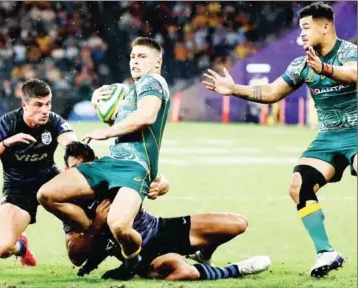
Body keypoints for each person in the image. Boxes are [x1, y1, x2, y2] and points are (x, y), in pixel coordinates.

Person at [202, 2, 356, 278]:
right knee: (299, 185)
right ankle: (326, 252)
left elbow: (354, 74)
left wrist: (326, 70)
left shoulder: (348, 52)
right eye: (300, 29)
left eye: (307, 28)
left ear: (325, 26)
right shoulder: (302, 64)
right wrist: (234, 88)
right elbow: (272, 92)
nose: (303, 35)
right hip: (327, 138)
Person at [38, 36, 171, 275]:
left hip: (135, 168)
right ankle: (94, 231)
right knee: (47, 194)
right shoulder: (133, 91)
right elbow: (125, 121)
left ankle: (131, 261)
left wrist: (106, 132)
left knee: (120, 226)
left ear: (158, 62)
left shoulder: (153, 81)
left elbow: (146, 117)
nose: (135, 61)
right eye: (132, 56)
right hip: (112, 162)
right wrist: (99, 105)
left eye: (142, 56)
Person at [61, 141, 271, 281]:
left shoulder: (113, 173)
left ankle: (203, 256)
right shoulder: (70, 203)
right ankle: (233, 271)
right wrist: (97, 224)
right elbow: (76, 257)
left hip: (160, 228)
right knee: (180, 270)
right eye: (77, 170)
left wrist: (162, 186)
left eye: (86, 168)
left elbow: (158, 177)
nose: (83, 175)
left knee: (237, 223)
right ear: (68, 172)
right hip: (144, 255)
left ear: (96, 164)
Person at [0, 79, 77, 266]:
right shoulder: (7, 124)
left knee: (78, 254)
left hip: (50, 182)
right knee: (3, 249)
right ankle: (22, 248)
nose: (45, 110)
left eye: (48, 104)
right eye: (38, 105)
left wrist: (73, 154)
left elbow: (72, 144)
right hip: (18, 188)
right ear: (24, 105)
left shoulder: (54, 121)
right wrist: (5, 144)